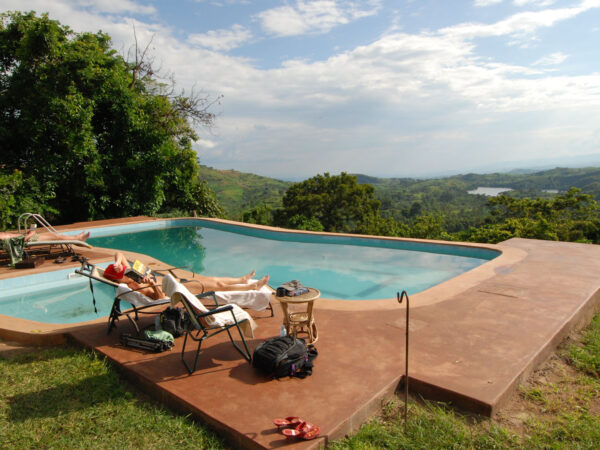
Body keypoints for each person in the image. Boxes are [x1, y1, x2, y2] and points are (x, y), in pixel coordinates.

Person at [103, 252, 270, 301]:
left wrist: (118, 262)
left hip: (179, 282)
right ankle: (251, 287)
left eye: (124, 269)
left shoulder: (131, 275)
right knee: (217, 286)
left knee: (212, 279)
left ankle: (242, 280)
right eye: (122, 273)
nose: (126, 271)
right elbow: (159, 299)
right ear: (119, 280)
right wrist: (152, 284)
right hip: (177, 290)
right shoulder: (137, 287)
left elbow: (119, 254)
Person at [0, 228, 90, 242]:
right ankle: (77, 238)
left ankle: (76, 237)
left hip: (26, 236)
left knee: (53, 235)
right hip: (29, 239)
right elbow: (19, 241)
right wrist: (30, 234)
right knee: (55, 237)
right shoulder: (2, 238)